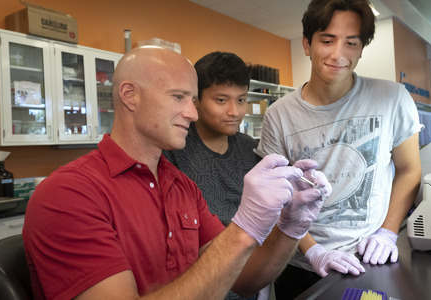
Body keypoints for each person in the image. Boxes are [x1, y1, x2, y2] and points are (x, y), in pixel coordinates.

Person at [22, 46, 332, 300]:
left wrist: (289, 227)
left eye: (193, 99)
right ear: (130, 95)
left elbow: (245, 280)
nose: (193, 113)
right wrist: (244, 228)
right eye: (178, 97)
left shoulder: (181, 186)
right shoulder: (68, 194)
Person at [255, 0, 423, 298]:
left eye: (351, 43)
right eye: (327, 40)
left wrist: (387, 232)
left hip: (373, 260)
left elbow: (410, 170)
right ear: (307, 44)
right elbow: (279, 197)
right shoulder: (278, 114)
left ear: (361, 48)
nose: (338, 54)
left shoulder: (392, 97)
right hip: (302, 265)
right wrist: (314, 251)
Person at [163, 51, 262, 300]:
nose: (234, 111)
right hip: (196, 280)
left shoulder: (250, 148)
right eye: (221, 100)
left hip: (247, 273)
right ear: (196, 100)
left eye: (241, 100)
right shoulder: (174, 149)